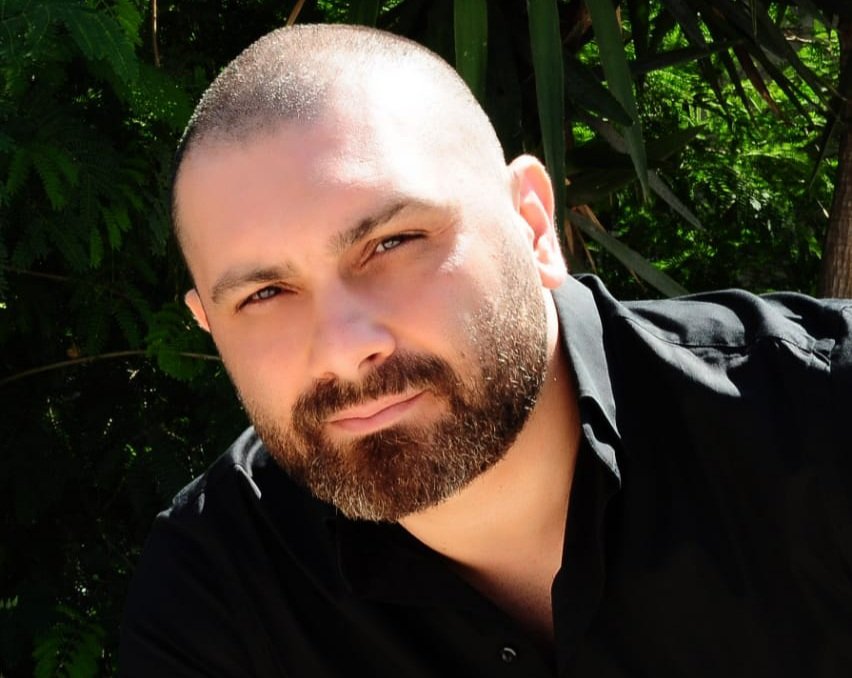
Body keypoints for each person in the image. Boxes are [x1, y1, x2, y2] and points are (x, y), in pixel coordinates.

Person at [120, 23, 852, 677]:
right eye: (265, 294)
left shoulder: (825, 417)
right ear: (209, 325)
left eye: (392, 243)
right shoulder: (216, 593)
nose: (343, 348)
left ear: (532, 223)